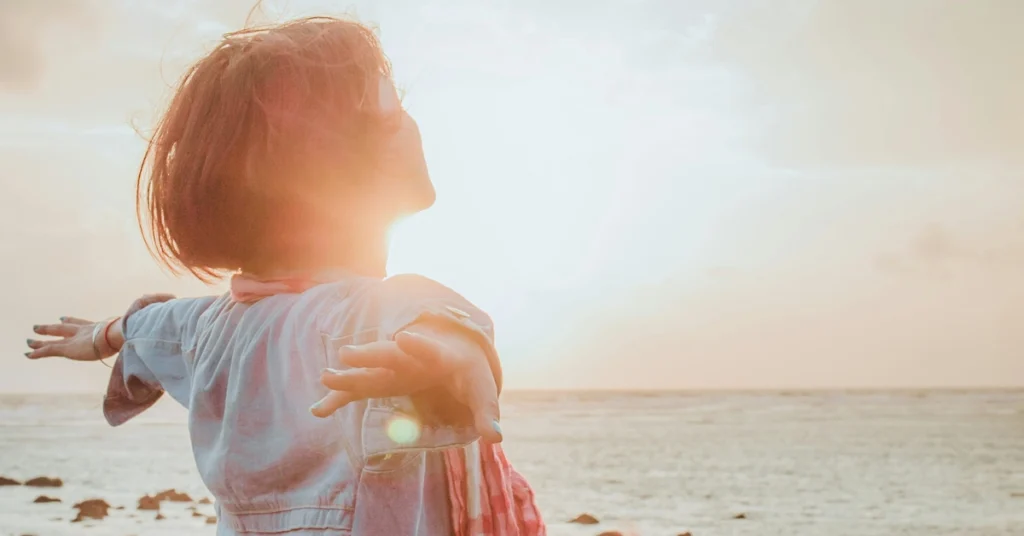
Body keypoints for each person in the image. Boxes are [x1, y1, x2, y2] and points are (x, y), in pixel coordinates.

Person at [25, 16, 544, 536]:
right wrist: (450, 355)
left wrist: (99, 336)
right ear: (331, 166)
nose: (409, 122)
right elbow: (427, 320)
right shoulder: (364, 314)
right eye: (390, 110)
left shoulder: (209, 327)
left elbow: (148, 328)